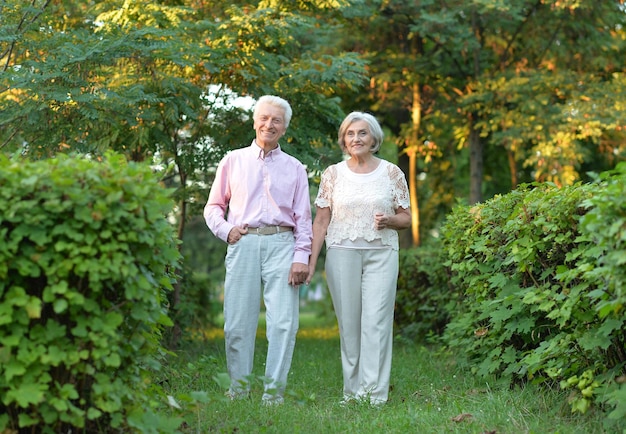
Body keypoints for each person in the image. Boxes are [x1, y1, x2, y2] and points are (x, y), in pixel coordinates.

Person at [204, 95, 312, 406]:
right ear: (254, 121)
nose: (269, 124)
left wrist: (300, 258)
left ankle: (273, 394)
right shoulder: (232, 160)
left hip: (282, 244)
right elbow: (213, 206)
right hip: (243, 242)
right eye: (264, 118)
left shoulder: (295, 168)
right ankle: (238, 390)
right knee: (237, 322)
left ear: (285, 127)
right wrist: (226, 230)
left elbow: (303, 219)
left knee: (283, 323)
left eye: (276, 120)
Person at [306, 111, 411, 406]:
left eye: (362, 133)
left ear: (374, 138)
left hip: (382, 253)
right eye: (350, 134)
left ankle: (374, 395)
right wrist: (312, 261)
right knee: (349, 325)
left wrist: (389, 220)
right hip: (342, 253)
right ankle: (352, 393)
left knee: (376, 322)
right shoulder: (332, 174)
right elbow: (321, 222)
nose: (356, 139)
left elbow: (407, 218)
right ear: (343, 140)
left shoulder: (391, 173)